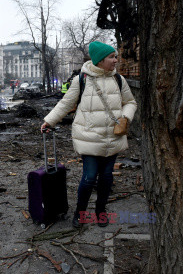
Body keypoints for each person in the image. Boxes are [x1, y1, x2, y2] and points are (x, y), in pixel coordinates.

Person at [40, 41, 137, 228]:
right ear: (100, 60)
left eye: (115, 56)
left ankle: (101, 212)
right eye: (112, 57)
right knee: (89, 177)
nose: (116, 60)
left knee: (107, 177)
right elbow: (66, 103)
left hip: (113, 137)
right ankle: (81, 213)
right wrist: (49, 120)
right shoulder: (81, 80)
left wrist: (126, 117)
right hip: (89, 137)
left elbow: (131, 102)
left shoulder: (119, 80)